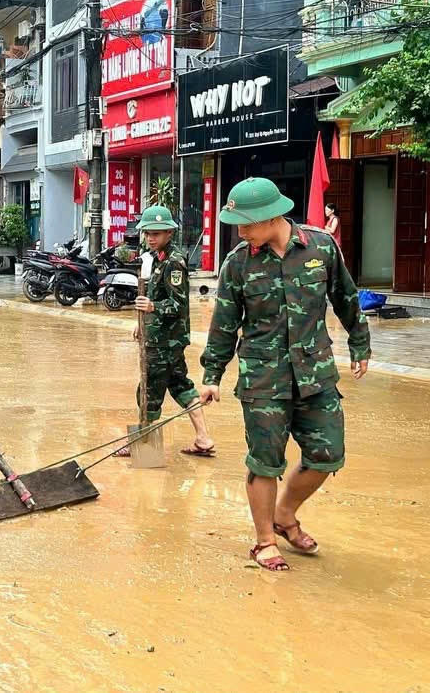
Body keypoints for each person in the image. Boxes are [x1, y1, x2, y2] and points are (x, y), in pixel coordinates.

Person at [199, 178, 370, 572]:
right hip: (263, 377)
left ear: (271, 216)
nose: (240, 232)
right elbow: (224, 324)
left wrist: (360, 343)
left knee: (328, 454)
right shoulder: (238, 263)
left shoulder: (321, 247)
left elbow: (345, 297)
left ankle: (285, 513)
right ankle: (264, 541)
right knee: (265, 462)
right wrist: (212, 375)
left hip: (315, 373)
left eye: (246, 224)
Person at [128, 205, 214, 457]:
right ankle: (203, 438)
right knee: (180, 385)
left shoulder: (174, 262)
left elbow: (177, 304)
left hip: (165, 341)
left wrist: (152, 307)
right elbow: (153, 296)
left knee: (148, 391)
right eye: (147, 233)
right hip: (163, 337)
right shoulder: (157, 258)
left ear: (169, 233)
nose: (150, 238)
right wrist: (142, 321)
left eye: (156, 233)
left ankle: (144, 448)